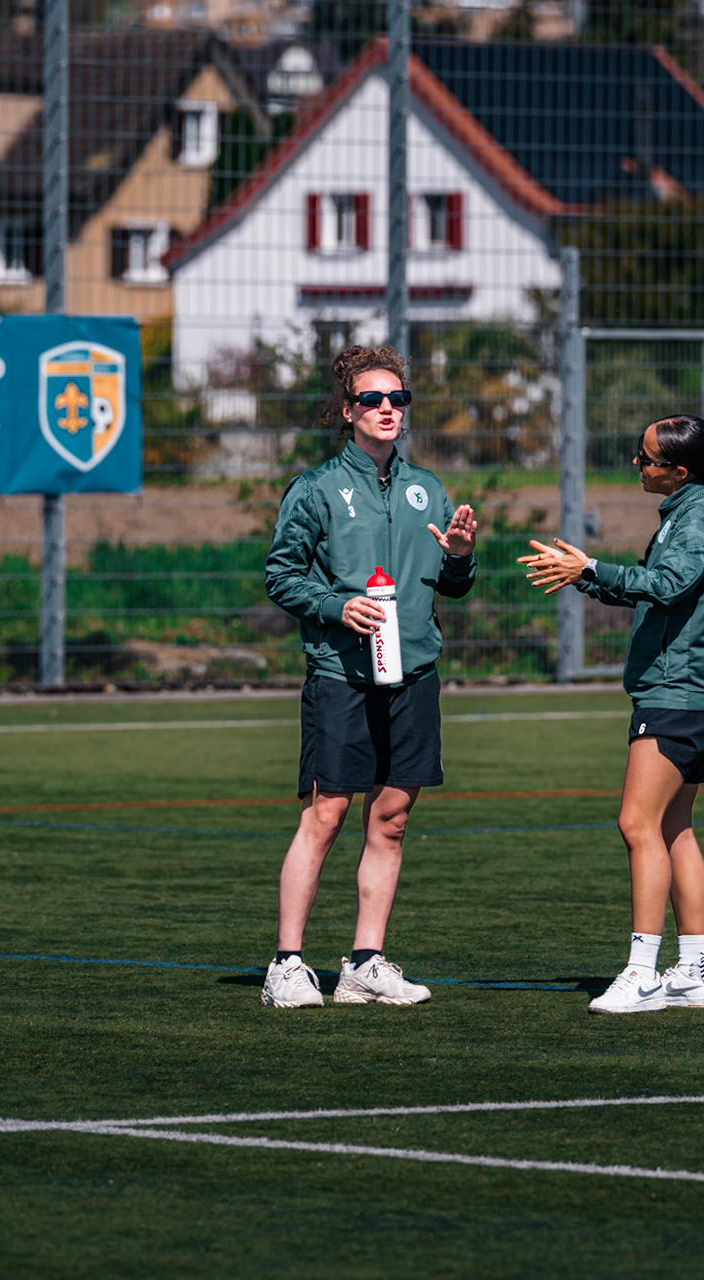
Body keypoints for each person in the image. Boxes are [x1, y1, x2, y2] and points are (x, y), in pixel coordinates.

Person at [260, 345, 479, 1009]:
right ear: (349, 411)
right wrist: (336, 605)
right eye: (374, 400)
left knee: (392, 819)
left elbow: (452, 585)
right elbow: (281, 575)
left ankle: (363, 963)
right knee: (326, 815)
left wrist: (464, 558)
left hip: (413, 671)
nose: (389, 409)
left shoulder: (429, 489)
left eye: (399, 399)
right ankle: (287, 964)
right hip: (341, 674)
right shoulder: (316, 489)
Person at [519, 414, 704, 1015]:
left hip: (679, 692)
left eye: (644, 458)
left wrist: (591, 569)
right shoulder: (692, 509)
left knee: (636, 824)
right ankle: (694, 972)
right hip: (689, 690)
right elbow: (655, 587)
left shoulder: (698, 516)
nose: (635, 465)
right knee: (675, 828)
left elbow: (667, 584)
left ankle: (642, 974)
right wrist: (584, 575)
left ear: (680, 469)